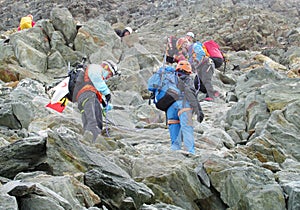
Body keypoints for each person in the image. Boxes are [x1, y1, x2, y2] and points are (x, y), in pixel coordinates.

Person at [72, 60, 119, 142]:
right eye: (110, 74)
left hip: (83, 98)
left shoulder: (93, 81)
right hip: (89, 96)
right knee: (94, 122)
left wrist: (105, 105)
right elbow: (97, 80)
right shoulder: (95, 68)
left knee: (89, 122)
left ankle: (88, 141)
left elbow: (98, 92)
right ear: (106, 67)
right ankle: (94, 143)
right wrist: (107, 93)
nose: (108, 77)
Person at [166, 60, 204, 155]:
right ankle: (190, 151)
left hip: (170, 107)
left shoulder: (169, 78)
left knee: (174, 128)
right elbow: (189, 93)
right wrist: (198, 110)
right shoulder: (187, 79)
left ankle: (175, 150)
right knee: (187, 127)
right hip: (183, 104)